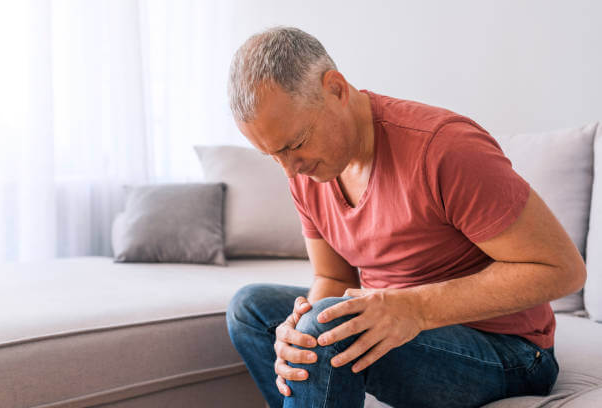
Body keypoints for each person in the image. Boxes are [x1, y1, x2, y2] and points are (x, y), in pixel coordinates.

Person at [225, 26, 586, 408]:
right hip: (403, 332)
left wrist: (412, 307)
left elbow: (563, 269)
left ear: (335, 88)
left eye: (296, 144)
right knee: (250, 309)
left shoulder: (443, 149)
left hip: (510, 353)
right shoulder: (308, 171)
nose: (290, 170)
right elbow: (332, 277)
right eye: (274, 155)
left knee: (329, 327)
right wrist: (296, 332)